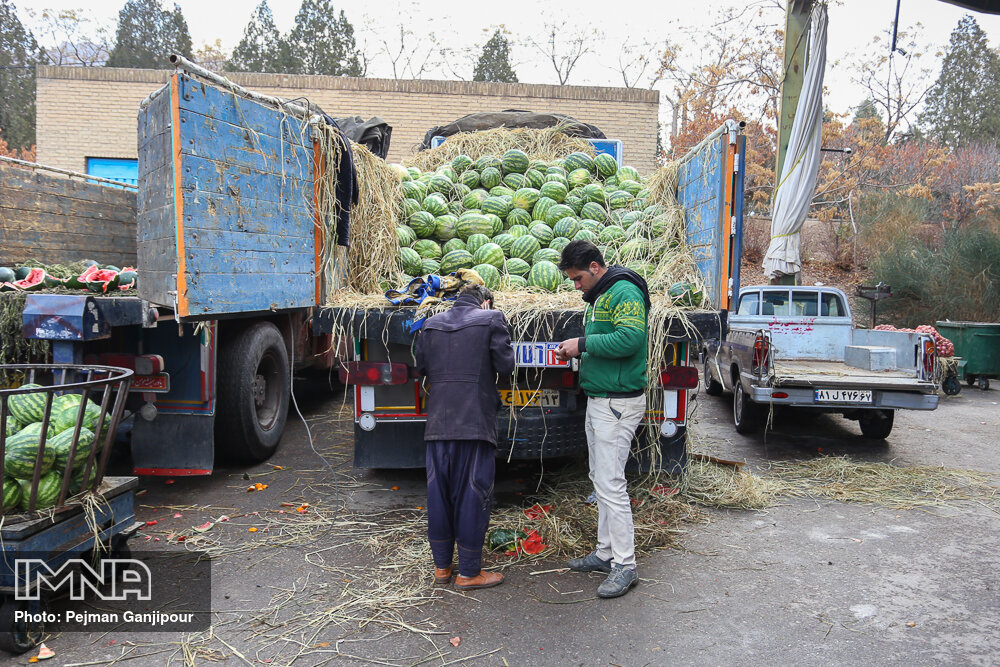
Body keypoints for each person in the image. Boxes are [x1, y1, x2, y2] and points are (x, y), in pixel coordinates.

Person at [555, 240, 651, 599]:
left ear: (595, 267)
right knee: (600, 478)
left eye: (578, 278)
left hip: (618, 402)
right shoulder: (601, 295)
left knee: (611, 483)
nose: (576, 285)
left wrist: (582, 345)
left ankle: (626, 565)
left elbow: (630, 339)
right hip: (601, 399)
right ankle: (605, 552)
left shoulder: (623, 291)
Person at [414, 283, 515, 591]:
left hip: (438, 425)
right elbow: (506, 366)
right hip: (474, 424)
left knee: (439, 497)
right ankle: (469, 572)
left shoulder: (431, 324)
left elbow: (421, 367)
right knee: (473, 494)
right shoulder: (492, 318)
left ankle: (442, 568)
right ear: (485, 303)